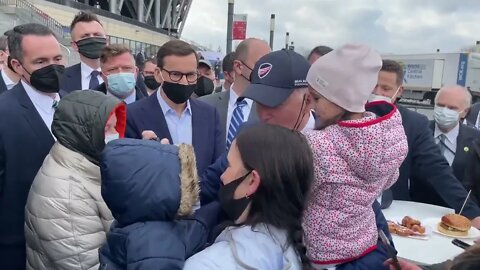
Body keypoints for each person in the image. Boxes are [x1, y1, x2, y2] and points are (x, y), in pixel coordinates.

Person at [200, 49, 395, 270]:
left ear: (308, 98)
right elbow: (210, 187)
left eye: (274, 103)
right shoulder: (250, 135)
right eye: (258, 102)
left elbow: (364, 214)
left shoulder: (347, 148)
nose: (263, 114)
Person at [302, 44, 408, 268]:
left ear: (340, 99)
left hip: (323, 252)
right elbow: (390, 179)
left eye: (316, 98)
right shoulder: (387, 138)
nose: (310, 104)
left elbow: (296, 191)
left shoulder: (318, 144)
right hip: (365, 243)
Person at [184, 124, 313, 269]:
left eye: (229, 166)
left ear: (252, 181)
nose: (222, 176)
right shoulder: (298, 252)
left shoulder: (207, 265)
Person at [370, 59, 480, 227]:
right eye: (373, 86)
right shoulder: (347, 115)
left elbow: (437, 169)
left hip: (394, 212)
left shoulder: (413, 123)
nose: (378, 92)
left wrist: (471, 213)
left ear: (399, 91)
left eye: (386, 89)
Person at [24, 90, 126, 269]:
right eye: (107, 128)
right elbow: (87, 264)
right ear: (84, 132)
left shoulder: (89, 164)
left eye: (115, 127)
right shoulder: (67, 194)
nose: (114, 134)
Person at [98, 139, 221, 269]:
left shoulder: (132, 223)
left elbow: (190, 232)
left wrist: (212, 211)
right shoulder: (154, 242)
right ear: (164, 188)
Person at [0, 23, 64, 270]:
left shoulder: (79, 105)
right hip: (18, 252)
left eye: (57, 58)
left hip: (78, 249)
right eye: (41, 62)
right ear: (17, 66)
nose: (53, 67)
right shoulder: (4, 114)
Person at [125, 39, 224, 177]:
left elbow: (217, 169)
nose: (184, 82)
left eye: (191, 75)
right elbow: (129, 173)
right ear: (158, 74)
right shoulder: (133, 115)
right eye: (176, 75)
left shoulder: (209, 115)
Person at [199, 38, 270, 149]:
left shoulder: (270, 111)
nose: (265, 72)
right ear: (238, 66)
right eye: (261, 65)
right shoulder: (204, 105)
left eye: (269, 67)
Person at [424, 85, 480, 206]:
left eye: (452, 108)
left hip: (457, 213)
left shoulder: (476, 139)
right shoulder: (419, 131)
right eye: (440, 105)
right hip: (416, 208)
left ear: (465, 112)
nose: (444, 111)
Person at [60, 11, 107, 93]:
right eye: (85, 36)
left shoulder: (122, 74)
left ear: (107, 41)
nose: (92, 39)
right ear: (74, 45)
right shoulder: (60, 78)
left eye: (97, 35)